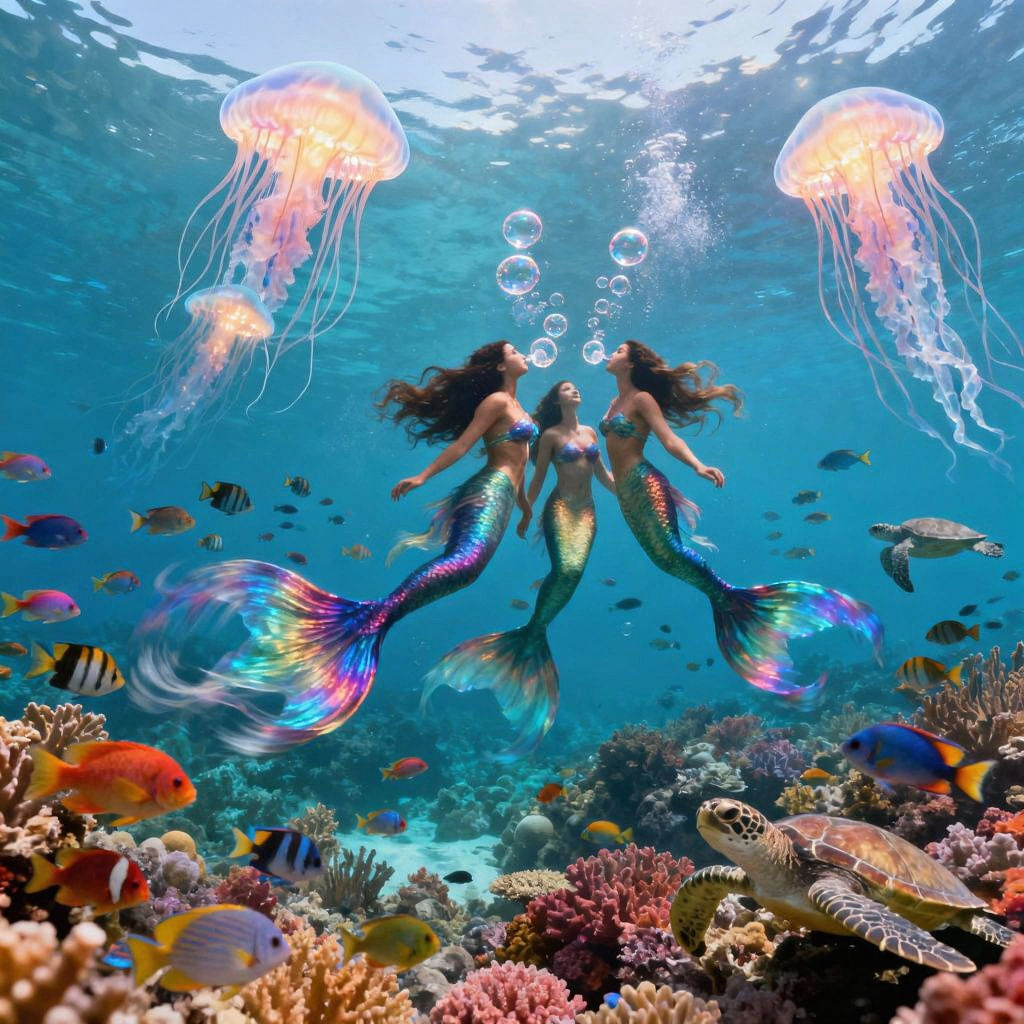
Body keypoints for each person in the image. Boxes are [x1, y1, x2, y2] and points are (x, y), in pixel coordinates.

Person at [132, 342, 537, 754]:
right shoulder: (498, 400)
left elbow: (522, 462)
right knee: (464, 564)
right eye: (514, 350)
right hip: (488, 490)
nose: (523, 354)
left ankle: (378, 616)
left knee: (469, 570)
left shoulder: (522, 409)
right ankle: (378, 615)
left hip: (506, 496)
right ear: (501, 364)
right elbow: (463, 446)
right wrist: (422, 476)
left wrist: (524, 509)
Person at [601, 340, 882, 702]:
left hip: (644, 483)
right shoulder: (612, 405)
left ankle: (731, 600)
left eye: (619, 349)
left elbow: (669, 440)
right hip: (625, 491)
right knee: (662, 560)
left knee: (669, 552)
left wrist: (698, 466)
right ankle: (730, 604)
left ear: (631, 362)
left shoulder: (641, 400)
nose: (611, 352)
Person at [421, 379, 615, 758]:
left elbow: (605, 476)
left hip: (588, 514)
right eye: (567, 388)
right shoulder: (549, 436)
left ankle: (533, 633)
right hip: (560, 510)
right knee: (568, 569)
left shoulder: (591, 432)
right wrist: (526, 512)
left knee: (573, 575)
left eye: (577, 388)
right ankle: (532, 632)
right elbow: (538, 477)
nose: (575, 391)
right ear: (556, 398)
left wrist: (628, 496)